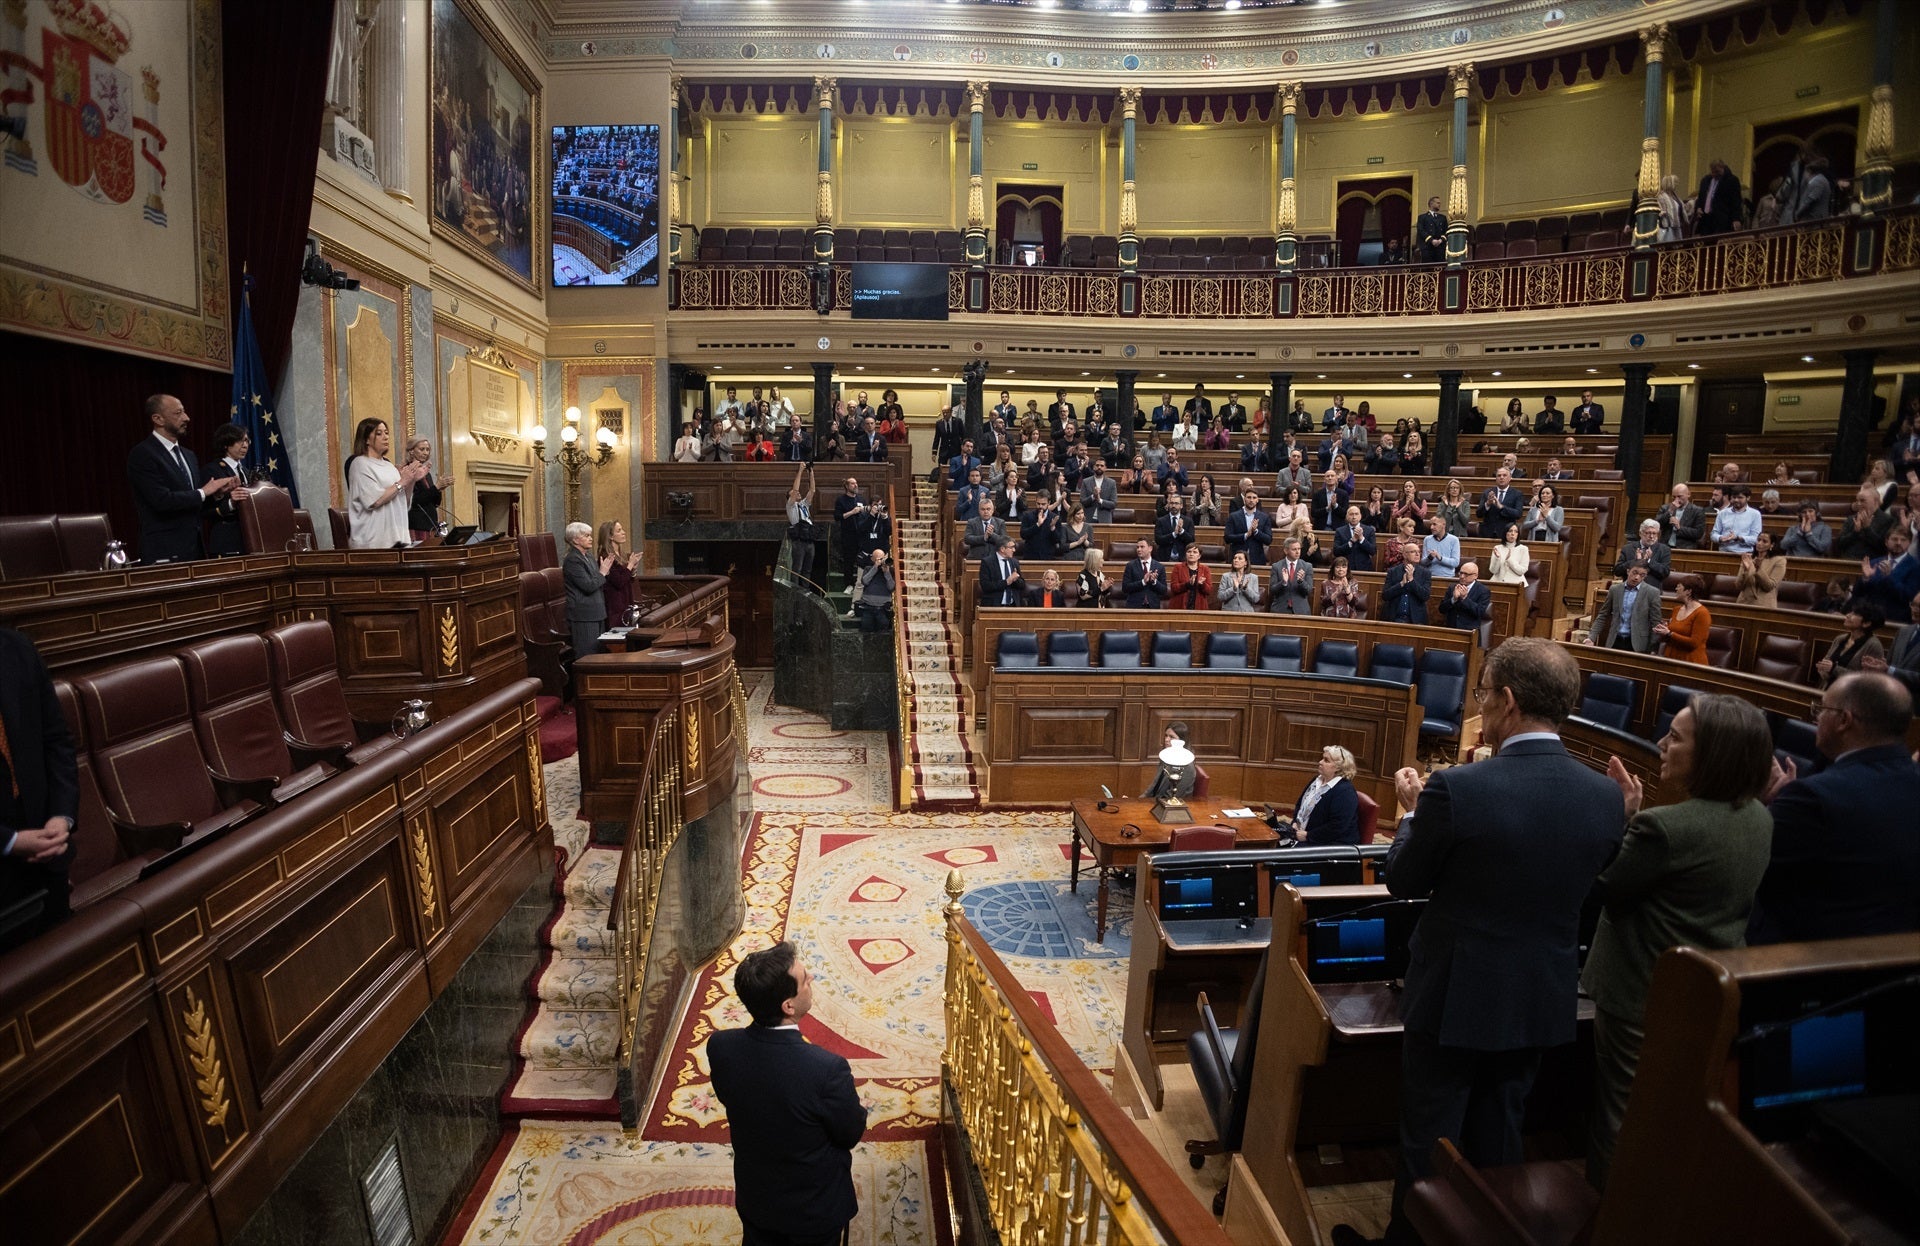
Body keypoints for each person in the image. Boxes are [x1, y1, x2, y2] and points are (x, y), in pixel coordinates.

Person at [1338, 640, 1622, 1246]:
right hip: (1538, 996)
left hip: (1453, 996)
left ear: (1509, 702)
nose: (1483, 705)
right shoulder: (1606, 797)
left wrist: (1412, 816)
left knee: (1429, 1135)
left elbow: (1403, 879)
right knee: (1501, 1136)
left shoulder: (1460, 789)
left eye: (1486, 693)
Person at [1582, 695, 1773, 1189]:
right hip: (1707, 994)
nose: (1662, 744)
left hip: (1640, 994)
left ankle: (1612, 1221)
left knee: (1619, 1119)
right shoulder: (1759, 817)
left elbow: (1602, 889)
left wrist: (1623, 817)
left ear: (1712, 755)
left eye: (1677, 737)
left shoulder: (1662, 828)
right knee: (1671, 1116)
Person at [708, 940, 866, 1246]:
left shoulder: (721, 1046)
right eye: (804, 978)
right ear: (788, 1006)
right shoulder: (826, 1070)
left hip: (756, 1201)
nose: (812, 980)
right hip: (813, 1214)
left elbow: (729, 1095)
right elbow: (849, 1133)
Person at [1749, 673, 1920, 945]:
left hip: (1799, 965)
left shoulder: (1812, 797)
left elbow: (1750, 872)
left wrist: (1767, 805)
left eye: (1821, 710)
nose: (1816, 719)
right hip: (1896, 968)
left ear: (1844, 720)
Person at [0, 627, 79, 949]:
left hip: (47, 858)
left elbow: (56, 741)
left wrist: (62, 818)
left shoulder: (17, 647)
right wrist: (10, 841)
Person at [127, 393, 239, 562]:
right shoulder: (143, 454)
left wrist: (217, 493)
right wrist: (203, 492)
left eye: (185, 412)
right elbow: (161, 501)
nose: (187, 418)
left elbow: (193, 502)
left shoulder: (189, 455)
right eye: (178, 413)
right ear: (158, 419)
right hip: (163, 553)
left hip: (195, 551)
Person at [346, 418, 427, 549]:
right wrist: (402, 481)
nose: (385, 437)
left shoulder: (389, 466)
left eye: (386, 433)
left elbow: (403, 503)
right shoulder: (360, 464)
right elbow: (374, 501)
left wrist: (411, 480)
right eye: (379, 433)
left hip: (397, 540)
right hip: (373, 543)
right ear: (366, 439)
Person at [1274, 746, 1361, 846]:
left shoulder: (1345, 791)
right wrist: (1294, 822)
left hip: (1329, 844)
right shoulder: (1317, 780)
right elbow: (1300, 804)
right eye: (1322, 758)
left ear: (1338, 767)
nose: (1320, 762)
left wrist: (1308, 836)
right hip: (1301, 834)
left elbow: (1337, 826)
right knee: (1272, 839)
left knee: (1278, 855)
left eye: (1326, 760)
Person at [201, 422, 253, 556]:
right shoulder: (212, 470)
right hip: (227, 540)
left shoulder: (247, 472)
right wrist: (230, 503)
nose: (245, 445)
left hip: (250, 539)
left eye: (247, 440)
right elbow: (204, 510)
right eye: (240, 441)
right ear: (225, 444)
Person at [1584, 561, 1661, 652]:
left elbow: (1655, 622)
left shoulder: (1652, 592)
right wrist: (1591, 637)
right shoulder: (1615, 590)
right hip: (1615, 640)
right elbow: (1603, 615)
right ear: (1628, 571)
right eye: (1634, 573)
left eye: (1642, 575)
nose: (1637, 577)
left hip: (1638, 644)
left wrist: (1653, 648)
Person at [561, 520, 610, 660]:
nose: (591, 538)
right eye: (586, 536)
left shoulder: (588, 556)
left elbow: (597, 581)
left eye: (590, 535)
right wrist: (603, 572)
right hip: (584, 615)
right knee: (587, 656)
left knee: (599, 654)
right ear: (575, 539)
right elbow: (588, 586)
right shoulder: (572, 560)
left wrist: (602, 574)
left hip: (597, 612)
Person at [1815, 604, 1886, 687]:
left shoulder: (1873, 645)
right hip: (1829, 689)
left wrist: (1834, 669)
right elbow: (1826, 663)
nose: (1848, 615)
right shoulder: (1840, 639)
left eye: (1854, 614)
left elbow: (1867, 679)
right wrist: (1823, 669)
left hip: (1851, 694)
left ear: (1866, 623)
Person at [404, 437, 453, 542]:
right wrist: (436, 487)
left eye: (427, 449)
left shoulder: (427, 474)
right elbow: (414, 500)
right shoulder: (407, 471)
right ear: (411, 451)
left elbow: (435, 503)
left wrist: (439, 489)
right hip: (416, 524)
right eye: (422, 449)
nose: (425, 453)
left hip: (430, 524)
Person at [1654, 573, 1712, 664]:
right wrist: (1663, 630)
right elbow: (1670, 636)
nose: (1676, 589)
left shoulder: (1702, 613)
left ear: (1688, 591)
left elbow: (1694, 643)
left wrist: (1669, 633)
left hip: (1691, 663)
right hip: (1671, 659)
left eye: (1679, 587)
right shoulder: (1676, 609)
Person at [596, 520, 641, 625]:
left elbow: (627, 579)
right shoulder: (607, 556)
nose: (624, 532)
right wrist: (630, 565)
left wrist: (633, 569)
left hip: (626, 600)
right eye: (619, 531)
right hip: (615, 605)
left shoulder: (621, 554)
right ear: (611, 536)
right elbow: (619, 582)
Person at [1381, 540, 1431, 625]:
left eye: (1418, 552)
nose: (1417, 554)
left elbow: (1425, 596)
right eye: (1413, 552)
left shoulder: (1425, 573)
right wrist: (1401, 584)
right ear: (1404, 555)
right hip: (1394, 618)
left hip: (1416, 621)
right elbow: (1385, 595)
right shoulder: (1393, 571)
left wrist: (1411, 580)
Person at [1438, 561, 1493, 635]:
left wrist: (1465, 599)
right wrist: (1453, 599)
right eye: (1461, 573)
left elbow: (1479, 612)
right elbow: (1442, 609)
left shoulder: (1483, 591)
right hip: (1451, 630)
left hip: (1470, 632)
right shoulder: (1452, 587)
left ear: (1475, 576)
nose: (1462, 576)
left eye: (1466, 574)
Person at [1143, 724, 1197, 800]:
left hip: (1173, 807)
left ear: (1182, 741)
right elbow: (1153, 787)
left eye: (1171, 737)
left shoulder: (1186, 765)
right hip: (1156, 802)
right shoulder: (1166, 757)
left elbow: (1172, 797)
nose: (1166, 739)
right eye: (1166, 735)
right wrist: (1138, 800)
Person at [1614, 519, 1672, 588]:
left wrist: (1648, 561)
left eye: (1654, 533)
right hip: (1629, 589)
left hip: (1651, 592)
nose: (1651, 536)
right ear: (1640, 533)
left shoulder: (1664, 550)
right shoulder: (1628, 548)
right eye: (1648, 533)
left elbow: (1665, 572)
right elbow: (1617, 571)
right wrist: (1635, 561)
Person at [785, 464, 817, 583]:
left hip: (809, 539)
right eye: (793, 493)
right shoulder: (791, 506)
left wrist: (811, 473)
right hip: (799, 542)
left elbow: (812, 490)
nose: (797, 493)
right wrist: (800, 471)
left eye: (797, 493)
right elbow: (796, 489)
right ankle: (795, 592)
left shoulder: (804, 504)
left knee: (807, 570)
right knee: (797, 568)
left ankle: (805, 590)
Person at [1693, 157, 1743, 235]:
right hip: (1706, 220)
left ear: (1723, 168)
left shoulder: (1732, 180)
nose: (1714, 174)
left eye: (1717, 172)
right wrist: (1698, 207)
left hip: (1723, 221)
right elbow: (1701, 197)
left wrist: (1736, 219)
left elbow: (1736, 201)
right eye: (1712, 172)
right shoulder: (1705, 180)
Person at [1734, 531, 1785, 608]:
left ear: (1772, 545)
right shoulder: (1749, 559)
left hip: (1764, 605)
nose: (1759, 543)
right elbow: (1738, 586)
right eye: (1758, 540)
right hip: (1744, 603)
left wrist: (1758, 569)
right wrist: (1745, 570)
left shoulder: (1779, 561)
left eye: (1764, 541)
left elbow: (1769, 586)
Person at [1225, 488, 1274, 565]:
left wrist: (1256, 532)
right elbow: (1227, 538)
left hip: (1257, 559)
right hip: (1237, 558)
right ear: (1244, 499)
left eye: (1254, 498)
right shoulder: (1233, 516)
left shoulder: (1264, 517)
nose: (1251, 500)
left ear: (1257, 500)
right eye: (1249, 497)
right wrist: (1245, 535)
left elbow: (1268, 540)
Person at [1267, 538, 1313, 616]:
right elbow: (1272, 590)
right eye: (1294, 549)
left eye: (1299, 549)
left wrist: (1301, 581)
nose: (1298, 552)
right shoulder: (1276, 566)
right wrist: (1283, 582)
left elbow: (1308, 591)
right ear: (1286, 551)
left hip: (1301, 610)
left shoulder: (1307, 566)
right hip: (1280, 610)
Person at [1709, 485, 1761, 554]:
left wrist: (1738, 538)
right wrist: (1721, 538)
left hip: (1744, 553)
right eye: (1734, 497)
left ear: (1748, 498)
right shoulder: (1723, 513)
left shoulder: (1755, 514)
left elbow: (1756, 539)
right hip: (1723, 552)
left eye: (1740, 497)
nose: (1736, 500)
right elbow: (1713, 534)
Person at [1121, 538, 1170, 609]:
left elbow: (1164, 590)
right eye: (1137, 547)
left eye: (1142, 547)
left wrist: (1154, 582)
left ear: (1150, 548)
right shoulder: (1130, 566)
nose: (1139, 549)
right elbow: (1125, 588)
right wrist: (1143, 582)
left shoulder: (1159, 567)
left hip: (1153, 607)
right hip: (1134, 607)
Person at [852, 548, 894, 631]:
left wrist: (887, 573)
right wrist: (875, 568)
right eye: (879, 559)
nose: (882, 561)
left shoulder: (890, 571)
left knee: (883, 629)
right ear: (874, 559)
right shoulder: (868, 568)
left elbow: (891, 587)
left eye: (883, 558)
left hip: (883, 608)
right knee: (866, 628)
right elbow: (864, 581)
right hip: (868, 607)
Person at [1654, 484, 1706, 550]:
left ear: (1688, 494)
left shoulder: (1697, 511)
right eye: (1674, 497)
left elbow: (1698, 533)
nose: (1676, 500)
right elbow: (1656, 525)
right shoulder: (1665, 508)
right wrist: (1669, 512)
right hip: (1665, 547)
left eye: (1679, 496)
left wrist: (1679, 528)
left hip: (1685, 548)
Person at [1477, 468, 1524, 539]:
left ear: (1510, 478)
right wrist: (1487, 504)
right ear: (1496, 478)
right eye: (1499, 475)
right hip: (1487, 533)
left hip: (1506, 533)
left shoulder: (1517, 494)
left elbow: (1518, 514)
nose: (1501, 477)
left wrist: (1501, 507)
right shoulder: (1487, 492)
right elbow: (1478, 514)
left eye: (1504, 475)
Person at [979, 535, 1024, 607]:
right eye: (1011, 547)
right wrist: (1006, 582)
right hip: (994, 605)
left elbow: (1022, 584)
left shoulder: (1014, 562)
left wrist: (1016, 580)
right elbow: (986, 586)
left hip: (1013, 605)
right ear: (1002, 549)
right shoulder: (987, 562)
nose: (1014, 550)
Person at [1169, 543, 1213, 610]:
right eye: (1189, 551)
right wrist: (1187, 584)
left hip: (1199, 607)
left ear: (1199, 556)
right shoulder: (1178, 568)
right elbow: (1174, 588)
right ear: (1186, 554)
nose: (1191, 554)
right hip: (1180, 606)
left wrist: (1202, 584)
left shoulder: (1205, 569)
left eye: (1195, 552)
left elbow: (1208, 590)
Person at [962, 497, 1007, 561]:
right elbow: (967, 539)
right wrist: (984, 538)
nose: (986, 512)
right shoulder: (972, 522)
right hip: (976, 558)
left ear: (992, 510)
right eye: (983, 509)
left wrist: (992, 534)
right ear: (979, 511)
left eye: (988, 509)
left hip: (995, 559)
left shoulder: (1000, 523)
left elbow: (1004, 541)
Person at [1334, 505, 1376, 573]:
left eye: (1356, 514)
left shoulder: (1369, 530)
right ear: (1347, 517)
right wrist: (1351, 542)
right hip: (1346, 569)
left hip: (1364, 569)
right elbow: (1336, 551)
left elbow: (1373, 551)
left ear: (1360, 516)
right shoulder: (1340, 531)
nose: (1354, 517)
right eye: (1351, 514)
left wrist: (1361, 539)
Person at [1488, 522, 1530, 587]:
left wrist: (1509, 560)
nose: (1513, 534)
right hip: (1498, 583)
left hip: (1516, 585)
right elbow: (1493, 571)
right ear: (1505, 533)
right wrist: (1497, 558)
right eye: (1510, 531)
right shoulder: (1497, 548)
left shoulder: (1523, 549)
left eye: (1516, 531)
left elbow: (1522, 571)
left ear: (1518, 534)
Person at [1433, 479, 1473, 543]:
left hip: (1460, 536)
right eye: (1452, 488)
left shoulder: (1465, 504)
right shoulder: (1442, 504)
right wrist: (1445, 506)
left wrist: (1458, 508)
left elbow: (1465, 521)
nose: (1455, 490)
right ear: (1448, 490)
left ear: (1460, 490)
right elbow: (1438, 520)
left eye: (1457, 488)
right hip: (1444, 537)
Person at [1415, 194, 1448, 263]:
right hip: (1427, 247)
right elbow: (1421, 230)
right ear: (1431, 203)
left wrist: (1440, 240)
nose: (1439, 205)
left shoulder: (1442, 218)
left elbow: (1446, 231)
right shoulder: (1422, 217)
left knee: (1440, 267)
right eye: (1438, 203)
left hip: (1440, 247)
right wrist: (1431, 240)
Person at [1656, 172, 1686, 243]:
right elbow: (1660, 210)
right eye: (1675, 182)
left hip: (1677, 225)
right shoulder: (1661, 196)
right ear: (1670, 183)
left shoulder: (1675, 197)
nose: (1677, 184)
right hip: (1667, 226)